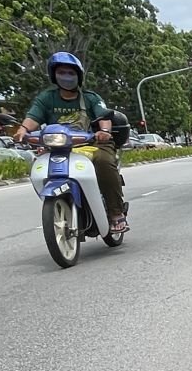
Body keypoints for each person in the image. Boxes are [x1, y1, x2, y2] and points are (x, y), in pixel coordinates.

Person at [14, 51, 128, 234]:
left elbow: (103, 115)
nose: (66, 77)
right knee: (41, 164)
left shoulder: (90, 97)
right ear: (54, 75)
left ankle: (116, 212)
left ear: (79, 76)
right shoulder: (46, 98)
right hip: (58, 146)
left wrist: (104, 131)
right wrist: (22, 131)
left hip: (92, 143)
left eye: (71, 73)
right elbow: (33, 117)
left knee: (104, 162)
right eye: (61, 73)